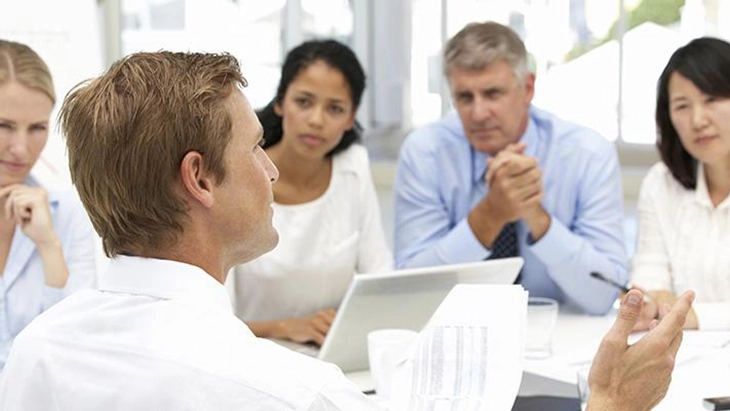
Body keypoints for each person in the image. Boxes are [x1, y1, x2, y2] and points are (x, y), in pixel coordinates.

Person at [0, 50, 695, 411]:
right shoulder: (288, 392)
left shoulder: (36, 355)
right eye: (253, 148)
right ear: (201, 179)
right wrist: (610, 401)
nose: (271, 170)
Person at [393, 21, 627, 315]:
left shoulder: (588, 154)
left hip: (560, 338)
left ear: (527, 87)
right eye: (465, 97)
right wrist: (490, 214)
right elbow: (409, 292)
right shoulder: (425, 153)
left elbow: (605, 295)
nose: (478, 114)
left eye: (493, 94)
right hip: (456, 330)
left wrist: (534, 214)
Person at [229, 40, 392, 346]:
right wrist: (283, 327)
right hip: (255, 360)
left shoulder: (354, 166)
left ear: (350, 116)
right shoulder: (241, 173)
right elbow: (211, 323)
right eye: (304, 101)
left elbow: (379, 277)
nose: (317, 120)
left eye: (335, 108)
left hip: (332, 360)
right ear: (280, 102)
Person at [0, 39, 96, 371]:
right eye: (4, 126)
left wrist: (48, 244)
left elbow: (77, 341)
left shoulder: (68, 214)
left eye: (37, 128)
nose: (20, 148)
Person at [632, 37, 730, 331]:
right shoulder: (660, 182)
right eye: (682, 106)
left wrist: (696, 316)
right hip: (682, 360)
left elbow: (673, 310)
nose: (698, 120)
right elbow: (649, 285)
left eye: (711, 99)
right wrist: (651, 302)